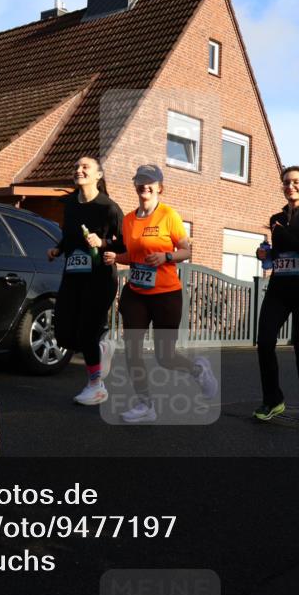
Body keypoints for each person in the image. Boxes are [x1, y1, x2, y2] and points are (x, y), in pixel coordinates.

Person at [103, 165, 217, 423]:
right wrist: (115, 257)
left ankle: (198, 370)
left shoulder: (169, 215)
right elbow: (133, 256)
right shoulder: (129, 219)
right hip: (137, 293)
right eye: (140, 181)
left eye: (150, 181)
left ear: (159, 187)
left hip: (166, 294)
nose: (145, 185)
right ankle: (146, 405)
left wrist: (166, 256)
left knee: (165, 357)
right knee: (132, 350)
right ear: (135, 186)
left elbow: (186, 251)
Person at [46, 156, 125, 405]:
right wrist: (58, 249)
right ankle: (102, 350)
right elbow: (69, 236)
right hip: (72, 275)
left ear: (98, 175)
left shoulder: (108, 208)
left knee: (87, 331)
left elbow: (123, 244)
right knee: (64, 334)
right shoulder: (70, 204)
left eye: (85, 167)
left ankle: (96, 385)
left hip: (100, 277)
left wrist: (102, 243)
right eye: (77, 166)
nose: (79, 170)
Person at [253, 166, 299, 422]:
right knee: (264, 343)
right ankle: (273, 401)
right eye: (286, 182)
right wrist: (264, 254)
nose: (290, 186)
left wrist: (285, 236)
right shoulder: (277, 218)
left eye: (296, 182)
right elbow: (278, 255)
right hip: (278, 290)